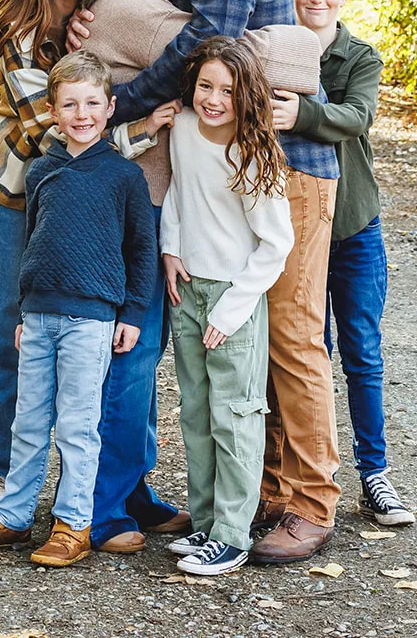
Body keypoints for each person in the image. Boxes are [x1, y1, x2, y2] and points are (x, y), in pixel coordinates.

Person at [72, 0, 342, 563]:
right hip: (243, 168)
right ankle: (257, 494)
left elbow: (203, 47)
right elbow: (168, 28)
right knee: (248, 349)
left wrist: (116, 101)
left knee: (289, 340)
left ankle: (312, 504)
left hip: (286, 165)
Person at [0, 51, 157, 565]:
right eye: (70, 105)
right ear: (53, 110)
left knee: (77, 424)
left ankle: (73, 524)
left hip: (91, 320)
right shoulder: (42, 170)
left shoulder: (123, 177)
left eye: (92, 103)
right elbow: (33, 245)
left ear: (110, 109)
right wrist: (22, 312)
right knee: (28, 420)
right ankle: (15, 518)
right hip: (40, 316)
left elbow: (141, 250)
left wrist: (131, 314)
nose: (82, 114)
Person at [0, 0, 104, 518]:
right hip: (12, 201)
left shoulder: (90, 19)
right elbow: (56, 128)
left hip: (62, 207)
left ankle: (48, 482)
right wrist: (136, 136)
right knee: (5, 329)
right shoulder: (19, 31)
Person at [273, 0, 413, 526]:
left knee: (362, 352)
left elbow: (357, 117)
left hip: (354, 223)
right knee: (307, 352)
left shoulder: (359, 57)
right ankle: (301, 475)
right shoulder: (275, 48)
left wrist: (303, 115)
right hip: (298, 225)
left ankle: (374, 473)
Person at [160, 37, 293, 577]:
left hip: (232, 298)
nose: (214, 99)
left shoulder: (253, 154)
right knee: (195, 410)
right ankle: (206, 521)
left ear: (247, 97)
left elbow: (275, 245)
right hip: (185, 287)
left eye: (228, 91)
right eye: (206, 86)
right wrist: (170, 247)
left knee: (234, 415)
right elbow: (178, 194)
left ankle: (233, 535)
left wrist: (232, 309)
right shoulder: (185, 128)